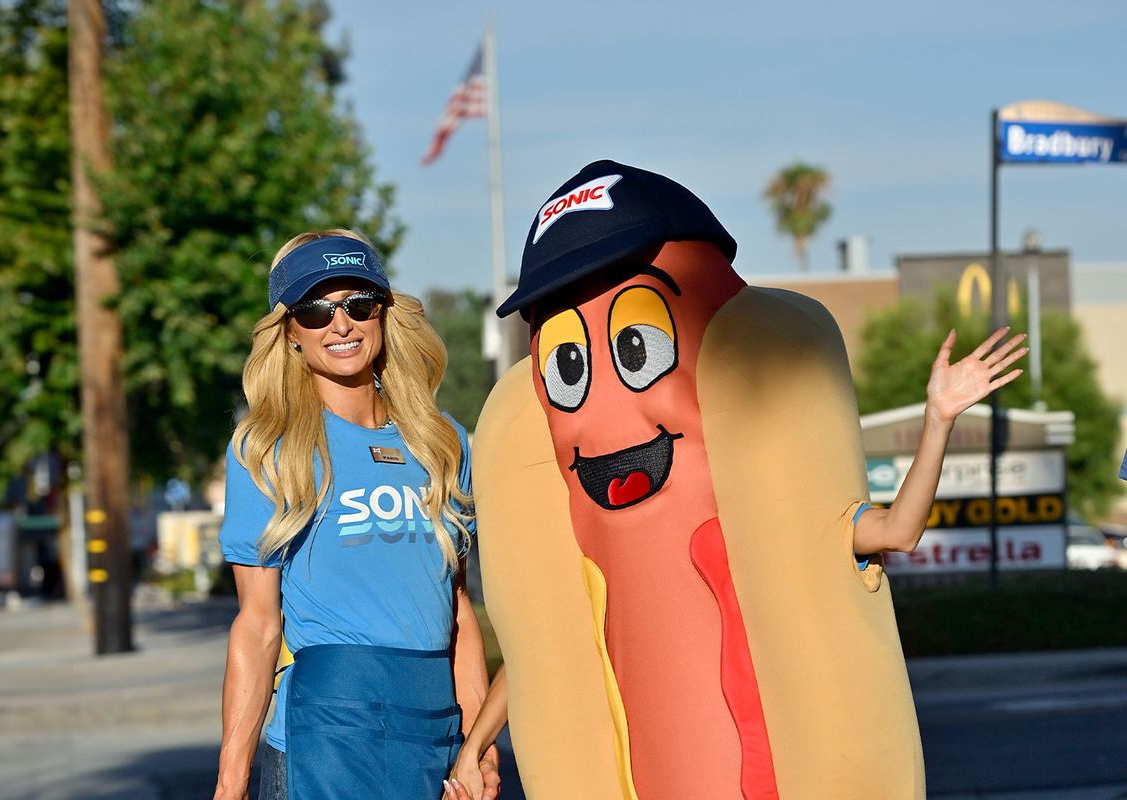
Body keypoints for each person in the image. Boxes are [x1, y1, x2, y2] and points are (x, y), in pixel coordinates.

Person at [468, 159, 1027, 798]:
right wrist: (477, 744)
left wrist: (938, 419)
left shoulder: (777, 504)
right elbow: (540, 654)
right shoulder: (566, 516)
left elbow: (896, 531)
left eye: (638, 350)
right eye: (568, 364)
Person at [212, 229, 499, 800]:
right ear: (290, 331)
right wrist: (230, 778)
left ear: (384, 315)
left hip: (433, 725)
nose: (340, 324)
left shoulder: (445, 446)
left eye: (358, 304)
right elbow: (258, 624)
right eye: (316, 310)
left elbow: (459, 612)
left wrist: (478, 748)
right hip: (324, 732)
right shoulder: (267, 450)